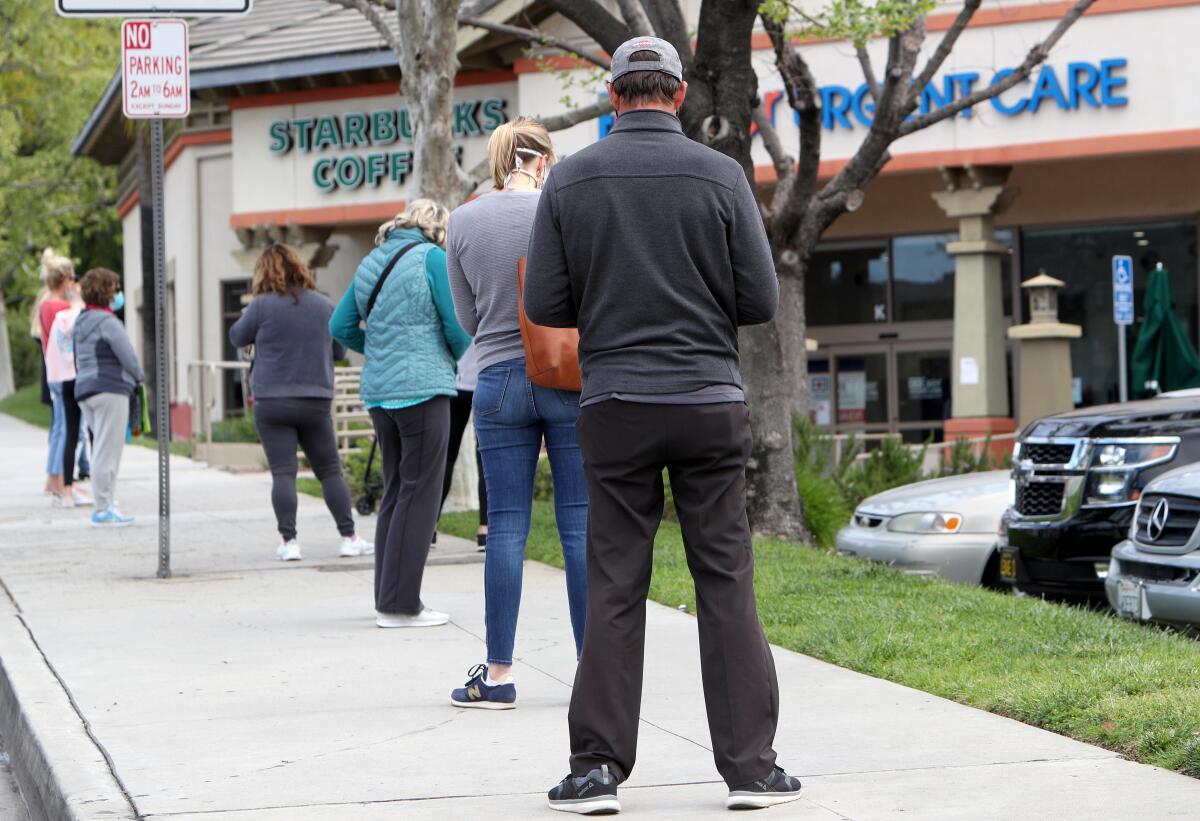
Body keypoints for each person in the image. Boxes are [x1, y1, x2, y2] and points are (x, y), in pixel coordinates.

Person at [525, 38, 801, 813]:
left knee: (615, 580)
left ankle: (597, 769)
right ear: (679, 96)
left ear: (614, 98)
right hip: (709, 400)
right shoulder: (721, 175)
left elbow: (546, 306)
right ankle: (750, 768)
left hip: (615, 404)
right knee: (726, 578)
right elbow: (760, 302)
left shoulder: (571, 179)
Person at [444, 117, 588, 711]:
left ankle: (498, 674)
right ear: (544, 159)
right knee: (580, 527)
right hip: (566, 376)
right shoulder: (566, 210)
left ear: (496, 159)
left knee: (506, 527)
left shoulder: (463, 219)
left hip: (498, 378)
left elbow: (466, 318)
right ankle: (594, 670)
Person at [331, 200, 471, 628]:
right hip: (424, 388)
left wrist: (380, 350)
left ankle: (387, 600)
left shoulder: (372, 261)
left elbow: (340, 326)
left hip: (379, 392)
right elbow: (458, 324)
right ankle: (402, 605)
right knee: (422, 494)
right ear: (437, 227)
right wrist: (451, 356)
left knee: (396, 492)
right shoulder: (432, 258)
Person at [229, 244, 372, 562]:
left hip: (271, 400)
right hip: (315, 399)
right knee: (330, 470)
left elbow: (237, 337)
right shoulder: (324, 306)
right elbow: (339, 353)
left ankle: (290, 543)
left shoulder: (261, 306)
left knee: (283, 473)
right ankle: (349, 537)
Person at [74, 268, 143, 527]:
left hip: (85, 390)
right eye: (115, 289)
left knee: (100, 447)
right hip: (110, 389)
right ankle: (103, 509)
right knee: (108, 451)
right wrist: (140, 376)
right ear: (106, 292)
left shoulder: (82, 321)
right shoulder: (108, 323)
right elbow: (128, 356)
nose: (118, 294)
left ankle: (106, 503)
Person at [45, 275, 94, 508]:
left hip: (62, 378)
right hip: (81, 377)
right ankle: (80, 483)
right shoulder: (82, 317)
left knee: (70, 435)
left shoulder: (59, 319)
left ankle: (66, 489)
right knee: (83, 433)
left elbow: (54, 351)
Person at [437, 341, 488, 551]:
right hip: (488, 375)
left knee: (445, 455)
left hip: (457, 378)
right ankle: (486, 529)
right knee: (486, 455)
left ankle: (429, 524)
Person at [37, 250, 75, 502]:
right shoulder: (62, 307)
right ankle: (60, 479)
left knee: (58, 425)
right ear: (64, 281)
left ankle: (52, 476)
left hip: (51, 369)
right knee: (65, 427)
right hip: (64, 370)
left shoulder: (44, 305)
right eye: (72, 278)